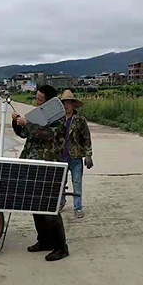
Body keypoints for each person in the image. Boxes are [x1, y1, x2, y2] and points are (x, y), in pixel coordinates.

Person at [11, 85, 69, 261]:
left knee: (50, 208)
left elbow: (46, 134)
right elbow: (24, 134)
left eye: (40, 99)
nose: (37, 101)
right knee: (35, 206)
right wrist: (17, 122)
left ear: (49, 102)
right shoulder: (38, 115)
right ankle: (44, 240)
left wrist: (27, 124)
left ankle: (61, 247)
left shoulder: (58, 120)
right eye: (36, 98)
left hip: (49, 167)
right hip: (33, 165)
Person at [59, 90, 93, 218]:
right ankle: (61, 202)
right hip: (60, 156)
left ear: (73, 104)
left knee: (77, 182)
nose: (66, 105)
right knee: (60, 182)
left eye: (68, 103)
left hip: (75, 156)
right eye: (64, 103)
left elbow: (86, 138)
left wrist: (88, 154)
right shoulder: (57, 119)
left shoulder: (80, 120)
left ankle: (78, 207)